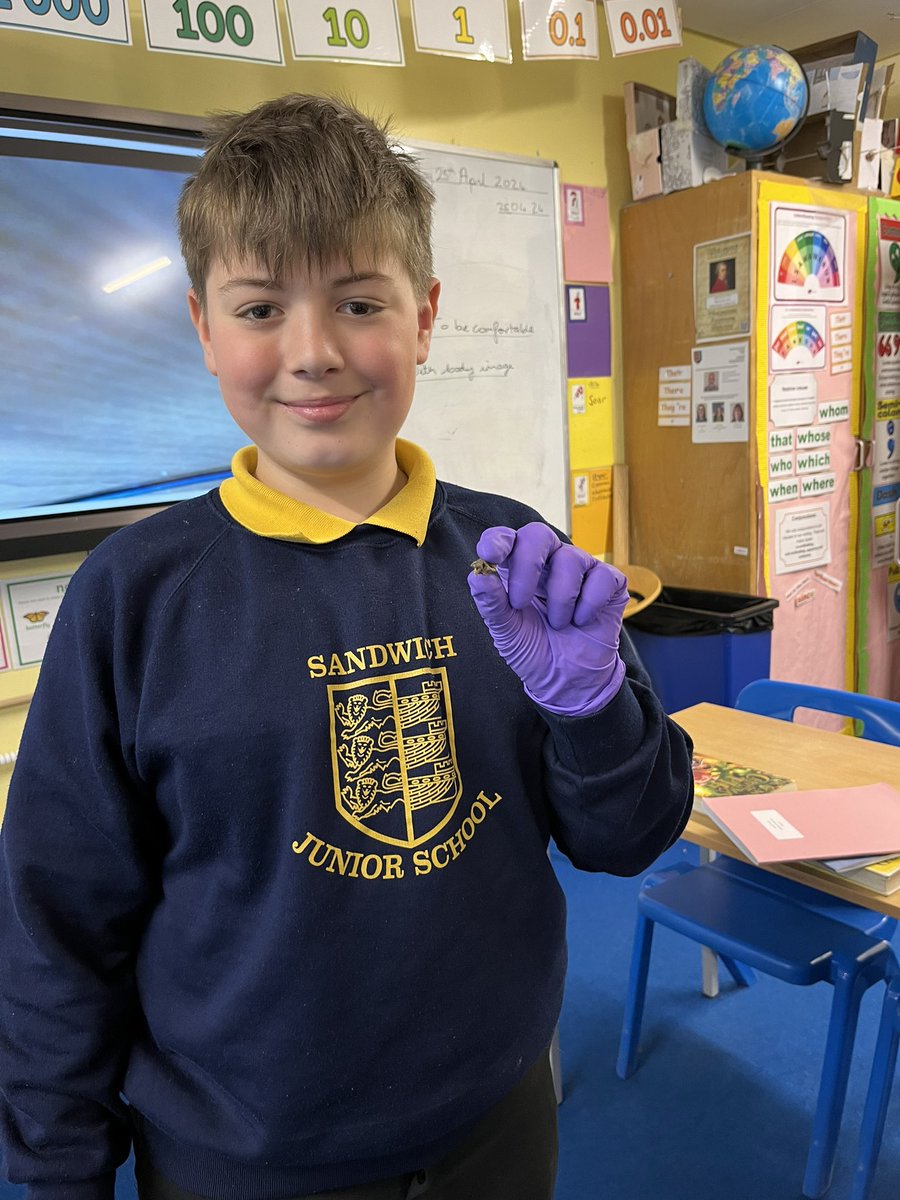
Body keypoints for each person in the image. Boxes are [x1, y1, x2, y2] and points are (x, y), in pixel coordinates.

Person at [0, 94, 693, 1200]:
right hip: (243, 1159)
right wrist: (53, 1179)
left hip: (496, 1125)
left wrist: (594, 705)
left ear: (423, 318)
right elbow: (55, 933)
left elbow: (629, 836)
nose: (313, 353)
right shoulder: (131, 600)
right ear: (202, 327)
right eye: (262, 306)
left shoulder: (512, 560)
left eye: (359, 301)